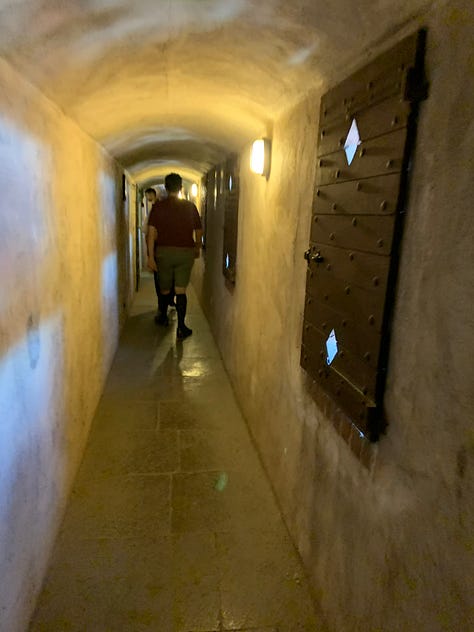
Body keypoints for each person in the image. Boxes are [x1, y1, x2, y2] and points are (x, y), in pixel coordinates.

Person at [147, 173, 203, 339]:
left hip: (163, 252)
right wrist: (197, 247)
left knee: (164, 289)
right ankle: (181, 327)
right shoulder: (190, 206)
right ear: (181, 188)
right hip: (185, 252)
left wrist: (150, 257)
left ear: (166, 187)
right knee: (181, 290)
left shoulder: (158, 207)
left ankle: (163, 316)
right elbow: (199, 231)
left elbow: (151, 233)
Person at [143, 187, 176, 314]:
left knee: (161, 279)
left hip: (160, 250)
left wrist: (150, 254)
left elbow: (148, 233)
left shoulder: (156, 211)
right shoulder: (165, 211)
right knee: (166, 277)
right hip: (166, 249)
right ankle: (166, 302)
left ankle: (163, 307)